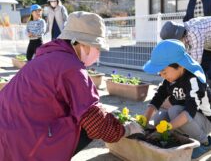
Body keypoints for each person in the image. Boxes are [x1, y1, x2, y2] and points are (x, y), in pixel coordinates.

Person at [0, 11, 144, 160]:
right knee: (86, 127)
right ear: (80, 43)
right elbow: (94, 120)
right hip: (26, 143)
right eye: (97, 48)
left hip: (7, 133)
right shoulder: (71, 67)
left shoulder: (47, 56)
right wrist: (124, 130)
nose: (98, 54)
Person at [143, 39, 211, 160]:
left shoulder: (193, 80)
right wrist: (144, 120)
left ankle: (206, 143)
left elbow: (189, 112)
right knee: (159, 118)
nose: (162, 75)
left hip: (205, 122)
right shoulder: (170, 79)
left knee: (174, 111)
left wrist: (166, 128)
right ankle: (179, 137)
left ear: (180, 65)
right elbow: (157, 99)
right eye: (160, 73)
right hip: (187, 117)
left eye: (164, 71)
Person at [160, 16, 211, 114]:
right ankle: (208, 92)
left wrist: (180, 79)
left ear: (179, 37)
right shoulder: (183, 35)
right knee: (206, 68)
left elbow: (195, 62)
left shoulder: (194, 32)